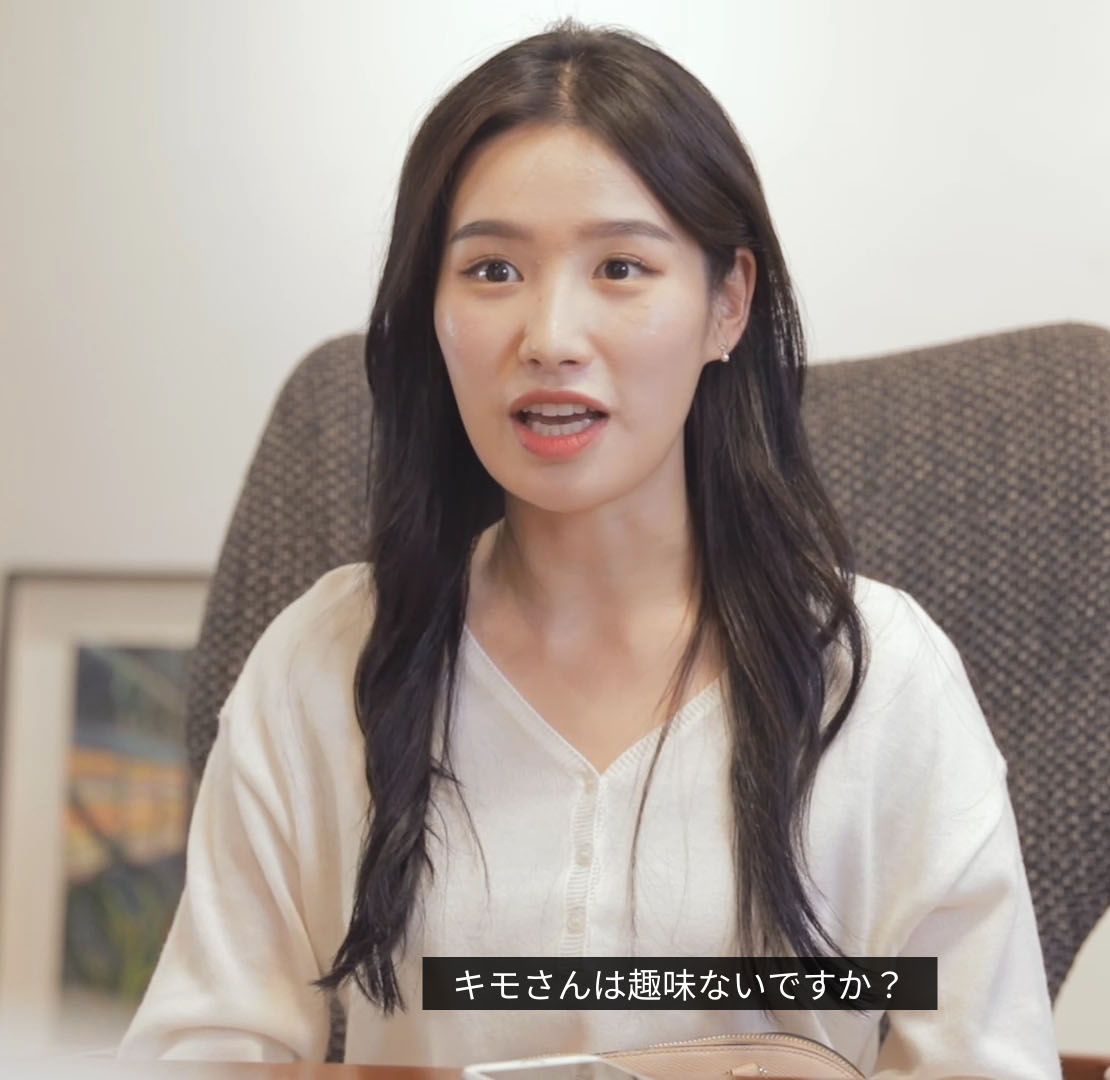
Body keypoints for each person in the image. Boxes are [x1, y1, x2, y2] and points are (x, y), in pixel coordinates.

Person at [118, 18, 1059, 1080]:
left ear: (728, 304)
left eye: (620, 266)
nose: (551, 338)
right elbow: (200, 1051)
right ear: (433, 309)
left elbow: (985, 1061)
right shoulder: (326, 660)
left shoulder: (876, 676)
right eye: (492, 270)